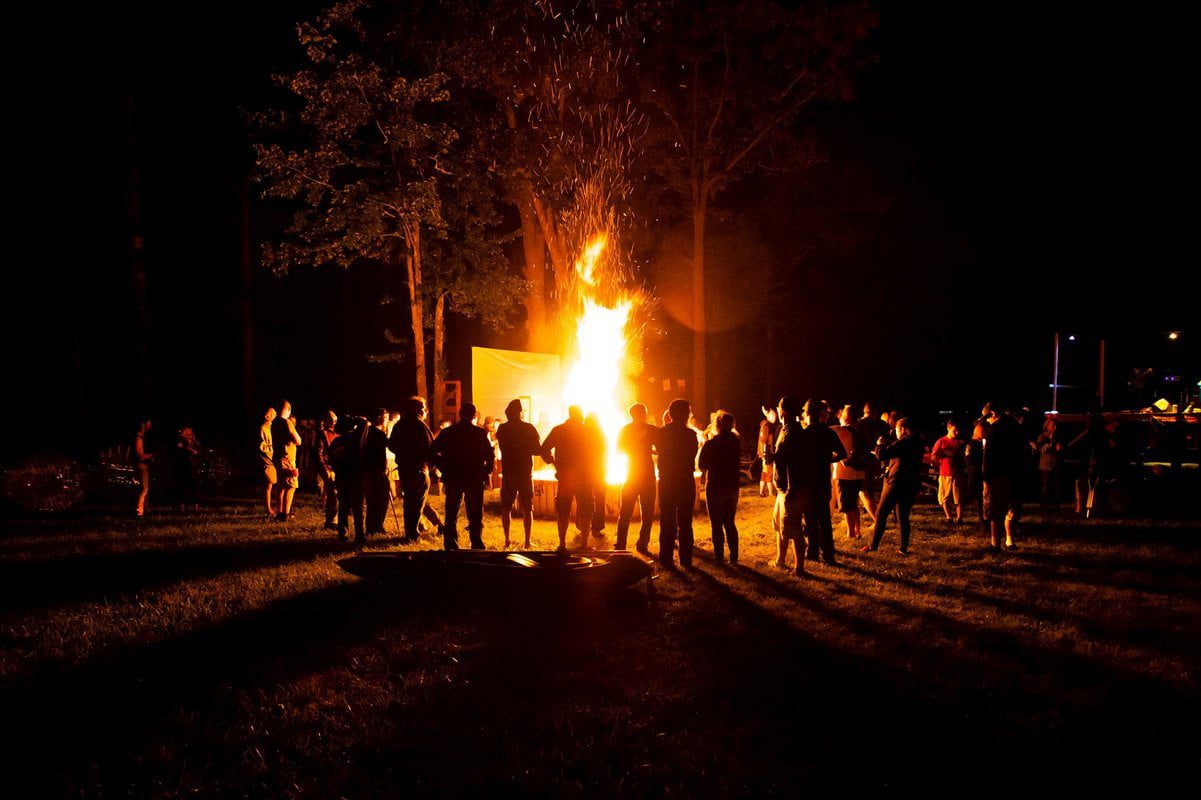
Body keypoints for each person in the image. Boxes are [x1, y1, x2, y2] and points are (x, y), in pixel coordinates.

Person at [778, 399, 847, 568]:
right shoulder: (828, 433)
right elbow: (842, 453)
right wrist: (828, 459)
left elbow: (795, 456)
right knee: (824, 519)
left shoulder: (804, 433)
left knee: (810, 519)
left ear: (807, 414)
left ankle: (813, 552)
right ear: (822, 415)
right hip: (823, 479)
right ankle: (829, 555)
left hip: (807, 481)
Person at [434, 403, 494, 549]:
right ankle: (476, 541)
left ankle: (450, 543)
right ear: (474, 415)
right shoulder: (479, 434)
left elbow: (432, 451)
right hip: (474, 476)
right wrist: (486, 472)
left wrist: (443, 467)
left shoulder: (448, 432)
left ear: (460, 414)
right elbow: (490, 455)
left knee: (451, 511)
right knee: (475, 512)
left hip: (454, 476)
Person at [863, 416, 924, 555]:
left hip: (895, 482)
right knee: (903, 515)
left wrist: (880, 444)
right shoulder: (917, 442)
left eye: (896, 429)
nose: (895, 432)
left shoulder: (903, 443)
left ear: (902, 429)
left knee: (881, 513)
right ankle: (903, 548)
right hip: (911, 482)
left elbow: (882, 455)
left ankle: (873, 546)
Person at [389, 396, 443, 544]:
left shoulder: (399, 425)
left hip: (405, 469)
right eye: (424, 408)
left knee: (412, 501)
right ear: (418, 409)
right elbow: (431, 448)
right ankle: (412, 535)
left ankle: (438, 525)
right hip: (419, 468)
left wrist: (403, 453)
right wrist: (434, 463)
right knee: (417, 502)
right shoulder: (420, 426)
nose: (426, 411)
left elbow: (391, 445)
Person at [541, 406, 595, 551]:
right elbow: (599, 451)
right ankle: (584, 543)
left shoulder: (559, 430)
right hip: (584, 477)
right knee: (586, 509)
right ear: (580, 415)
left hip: (565, 477)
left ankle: (562, 544)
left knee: (563, 510)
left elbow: (544, 448)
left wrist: (554, 464)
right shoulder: (588, 431)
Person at [657, 398, 700, 569]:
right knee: (685, 523)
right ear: (684, 414)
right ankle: (685, 560)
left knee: (666, 520)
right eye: (688, 411)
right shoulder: (690, 435)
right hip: (684, 481)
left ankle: (666, 559)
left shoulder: (662, 433)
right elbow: (691, 456)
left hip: (667, 481)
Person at [495, 398, 541, 549]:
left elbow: (502, 446)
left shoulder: (502, 429)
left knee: (506, 507)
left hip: (509, 472)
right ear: (520, 412)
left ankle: (507, 540)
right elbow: (536, 449)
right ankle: (527, 542)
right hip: (524, 472)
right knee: (527, 507)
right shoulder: (528, 428)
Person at [615, 403, 659, 555]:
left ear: (631, 415)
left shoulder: (625, 430)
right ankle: (643, 544)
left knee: (625, 511)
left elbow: (618, 449)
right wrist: (648, 448)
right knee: (647, 512)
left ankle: (620, 544)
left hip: (632, 473)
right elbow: (660, 448)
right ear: (644, 414)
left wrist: (633, 449)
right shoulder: (653, 430)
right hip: (647, 474)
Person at [698, 410, 741, 564]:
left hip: (715, 486)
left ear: (717, 425)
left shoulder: (712, 443)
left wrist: (706, 445)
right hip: (732, 486)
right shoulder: (736, 442)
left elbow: (702, 464)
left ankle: (719, 557)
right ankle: (734, 557)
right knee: (729, 521)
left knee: (716, 523)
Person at [983, 404, 1026, 550]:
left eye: (987, 417)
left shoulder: (993, 430)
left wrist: (986, 478)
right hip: (1016, 473)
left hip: (998, 475)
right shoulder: (1016, 427)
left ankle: (995, 543)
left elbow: (988, 457)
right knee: (1011, 508)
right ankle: (1010, 540)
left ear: (993, 413)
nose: (987, 421)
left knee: (995, 509)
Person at [832, 404, 868, 540]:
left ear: (845, 416)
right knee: (855, 502)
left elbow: (821, 430)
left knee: (846, 505)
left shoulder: (840, 430)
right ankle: (857, 530)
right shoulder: (858, 431)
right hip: (859, 472)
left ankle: (850, 532)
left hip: (844, 472)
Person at [328, 416, 365, 544]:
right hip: (354, 477)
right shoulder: (355, 440)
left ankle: (343, 533)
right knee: (357, 508)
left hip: (341, 477)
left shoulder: (336, 442)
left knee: (343, 506)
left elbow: (331, 460)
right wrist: (357, 419)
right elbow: (364, 424)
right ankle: (359, 535)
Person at [853, 403, 889, 524]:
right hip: (877, 460)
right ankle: (876, 517)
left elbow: (856, 442)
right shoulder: (883, 425)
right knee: (870, 490)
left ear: (865, 410)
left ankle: (878, 520)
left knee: (863, 491)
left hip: (863, 460)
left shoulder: (859, 424)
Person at [361, 408, 392, 536]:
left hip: (369, 470)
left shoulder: (366, 432)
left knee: (373, 499)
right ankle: (377, 526)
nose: (387, 421)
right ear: (380, 418)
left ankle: (371, 526)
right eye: (386, 418)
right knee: (381, 499)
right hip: (377, 470)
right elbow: (392, 446)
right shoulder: (378, 434)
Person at [931, 419, 966, 525]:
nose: (957, 433)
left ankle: (959, 518)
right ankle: (949, 518)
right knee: (944, 497)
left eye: (958, 431)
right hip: (945, 473)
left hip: (957, 473)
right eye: (954, 430)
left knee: (958, 497)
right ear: (948, 428)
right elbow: (934, 455)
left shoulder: (960, 442)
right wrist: (939, 459)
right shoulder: (941, 441)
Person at [271, 401, 302, 521]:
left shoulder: (275, 422)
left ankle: (280, 512)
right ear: (289, 409)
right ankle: (285, 513)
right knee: (291, 485)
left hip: (278, 457)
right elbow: (297, 440)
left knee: (281, 486)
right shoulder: (286, 422)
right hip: (288, 458)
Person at [314, 410, 339, 529]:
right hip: (329, 468)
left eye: (335, 420)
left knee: (338, 493)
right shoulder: (323, 434)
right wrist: (325, 469)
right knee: (332, 493)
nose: (334, 422)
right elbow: (319, 453)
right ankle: (331, 521)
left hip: (339, 467)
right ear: (326, 420)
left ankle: (336, 519)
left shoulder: (339, 432)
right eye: (331, 420)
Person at [584, 413, 608, 535]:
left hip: (586, 470)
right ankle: (597, 526)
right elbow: (604, 452)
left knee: (584, 498)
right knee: (599, 499)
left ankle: (583, 525)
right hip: (599, 470)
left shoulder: (583, 434)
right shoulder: (601, 434)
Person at [1035, 416, 1063, 505]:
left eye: (1055, 426)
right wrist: (1051, 442)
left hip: (1055, 464)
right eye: (1052, 425)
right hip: (1045, 465)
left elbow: (1060, 450)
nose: (1055, 428)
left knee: (1056, 486)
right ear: (1047, 426)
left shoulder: (1058, 436)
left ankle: (1055, 504)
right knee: (1045, 486)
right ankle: (1043, 504)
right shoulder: (1042, 436)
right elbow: (1042, 450)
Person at [173, 424, 201, 513]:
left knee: (194, 486)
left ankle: (195, 507)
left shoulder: (194, 440)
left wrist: (194, 451)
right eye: (186, 429)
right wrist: (189, 449)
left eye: (189, 429)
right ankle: (182, 507)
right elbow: (179, 449)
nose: (188, 431)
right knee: (182, 486)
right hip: (182, 465)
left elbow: (198, 452)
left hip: (192, 466)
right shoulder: (180, 439)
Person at [757, 406, 781, 496]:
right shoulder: (767, 426)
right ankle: (770, 493)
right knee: (769, 473)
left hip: (766, 453)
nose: (775, 418)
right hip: (767, 453)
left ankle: (761, 492)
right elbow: (763, 441)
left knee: (764, 473)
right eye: (774, 416)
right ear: (769, 417)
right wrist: (764, 455)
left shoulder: (766, 425)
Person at [258, 407, 277, 518]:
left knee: (275, 484)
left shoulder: (271, 428)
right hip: (268, 460)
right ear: (267, 416)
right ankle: (268, 507)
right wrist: (273, 450)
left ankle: (276, 506)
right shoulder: (263, 429)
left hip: (274, 460)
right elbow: (262, 447)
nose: (275, 416)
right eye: (273, 414)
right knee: (269, 485)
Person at [134, 418, 155, 518]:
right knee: (144, 488)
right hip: (142, 466)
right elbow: (140, 456)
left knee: (146, 488)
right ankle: (139, 511)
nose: (150, 425)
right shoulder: (139, 438)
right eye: (149, 423)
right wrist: (153, 455)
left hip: (145, 466)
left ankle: (145, 508)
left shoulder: (144, 437)